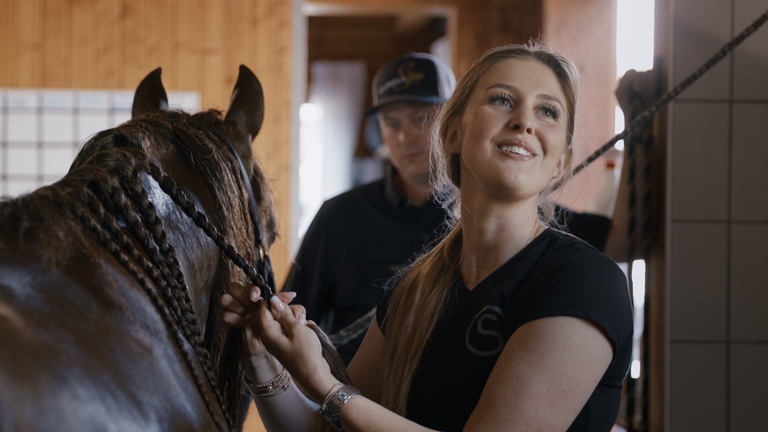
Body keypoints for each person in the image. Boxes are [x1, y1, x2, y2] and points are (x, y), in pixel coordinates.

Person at [222, 42, 634, 432]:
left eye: (548, 111)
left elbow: (340, 408)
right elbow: (329, 431)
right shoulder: (411, 290)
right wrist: (260, 357)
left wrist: (329, 389)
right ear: (452, 133)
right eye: (503, 100)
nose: (525, 120)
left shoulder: (586, 281)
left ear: (560, 162)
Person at [285, 52, 620, 365]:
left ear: (451, 125)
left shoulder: (540, 243)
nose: (405, 137)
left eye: (420, 118)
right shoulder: (339, 217)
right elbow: (295, 320)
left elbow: (622, 241)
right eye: (392, 123)